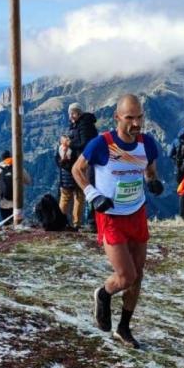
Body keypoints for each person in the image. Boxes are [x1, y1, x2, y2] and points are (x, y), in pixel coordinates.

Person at [73, 94, 163, 349]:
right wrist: (93, 196)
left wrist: (153, 182)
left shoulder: (148, 143)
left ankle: (123, 328)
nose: (136, 124)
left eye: (139, 117)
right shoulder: (102, 144)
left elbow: (149, 170)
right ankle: (103, 293)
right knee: (126, 276)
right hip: (111, 216)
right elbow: (77, 170)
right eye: (130, 118)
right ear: (116, 118)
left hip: (137, 213)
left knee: (138, 276)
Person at [67, 102, 98, 229]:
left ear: (79, 113)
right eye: (70, 113)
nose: (71, 116)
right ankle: (91, 221)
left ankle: (92, 222)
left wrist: (70, 144)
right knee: (86, 190)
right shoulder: (79, 124)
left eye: (73, 113)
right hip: (84, 161)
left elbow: (85, 144)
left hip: (88, 162)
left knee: (89, 189)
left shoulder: (84, 125)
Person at [0, 150, 33, 224]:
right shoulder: (18, 168)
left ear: (2, 159)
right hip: (18, 203)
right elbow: (28, 181)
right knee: (18, 225)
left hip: (4, 204)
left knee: (7, 225)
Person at [55, 135, 80, 229]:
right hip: (74, 178)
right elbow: (75, 164)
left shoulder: (59, 150)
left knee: (64, 199)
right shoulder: (73, 150)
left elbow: (58, 163)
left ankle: (59, 222)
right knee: (78, 198)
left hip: (64, 179)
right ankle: (76, 223)